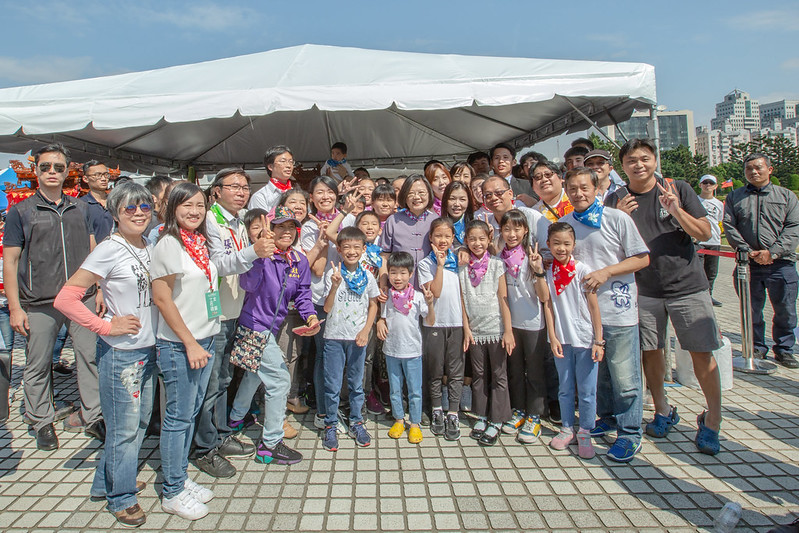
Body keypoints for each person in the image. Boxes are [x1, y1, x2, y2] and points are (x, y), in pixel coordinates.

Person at [607, 138, 723, 456]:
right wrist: (617, 216)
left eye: (644, 158)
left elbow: (704, 232)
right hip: (644, 289)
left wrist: (676, 211)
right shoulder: (617, 197)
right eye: (632, 160)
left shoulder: (678, 189)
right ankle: (662, 410)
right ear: (623, 166)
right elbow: (610, 245)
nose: (639, 165)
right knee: (650, 353)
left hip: (687, 286)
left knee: (702, 354)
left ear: (655, 160)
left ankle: (712, 420)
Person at [54, 182, 158, 527]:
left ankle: (107, 483)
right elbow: (66, 299)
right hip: (122, 355)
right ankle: (121, 497)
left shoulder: (149, 243)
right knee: (124, 430)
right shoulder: (108, 249)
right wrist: (104, 326)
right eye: (130, 208)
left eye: (144, 206)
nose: (139, 213)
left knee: (139, 423)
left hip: (149, 349)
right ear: (114, 213)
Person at [3, 143, 103, 451]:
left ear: (68, 172)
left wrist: (97, 288)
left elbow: (92, 253)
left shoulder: (80, 208)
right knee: (38, 361)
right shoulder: (21, 211)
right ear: (36, 170)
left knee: (88, 357)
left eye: (58, 168)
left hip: (80, 295)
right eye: (45, 167)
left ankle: (94, 414)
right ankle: (41, 419)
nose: (51, 172)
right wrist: (16, 307)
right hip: (40, 299)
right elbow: (10, 261)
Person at [561, 167, 650, 463]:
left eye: (584, 187)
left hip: (617, 309)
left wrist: (606, 272)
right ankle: (608, 418)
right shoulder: (565, 224)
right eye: (572, 189)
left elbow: (642, 258)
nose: (578, 193)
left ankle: (630, 432)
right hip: (583, 315)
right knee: (600, 376)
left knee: (624, 375)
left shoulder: (617, 218)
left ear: (598, 188)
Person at [195, 168, 273, 479]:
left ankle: (221, 433)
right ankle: (204, 447)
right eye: (234, 186)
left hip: (234, 310)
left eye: (244, 187)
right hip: (214, 313)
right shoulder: (210, 221)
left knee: (225, 378)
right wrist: (254, 251)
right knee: (211, 383)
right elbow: (216, 264)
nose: (241, 192)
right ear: (216, 191)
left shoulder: (240, 221)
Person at [150, 182, 221, 520]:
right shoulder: (167, 244)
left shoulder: (198, 242)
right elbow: (162, 299)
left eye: (200, 205)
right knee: (177, 418)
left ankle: (180, 476)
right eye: (187, 205)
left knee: (189, 413)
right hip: (181, 345)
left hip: (204, 339)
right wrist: (190, 342)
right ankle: (172, 490)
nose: (195, 211)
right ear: (172, 208)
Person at [229, 206, 320, 465]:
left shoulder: (299, 261)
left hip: (273, 326)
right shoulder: (260, 256)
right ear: (270, 230)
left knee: (255, 372)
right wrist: (260, 255)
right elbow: (247, 284)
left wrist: (311, 316)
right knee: (279, 380)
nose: (287, 232)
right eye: (280, 226)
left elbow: (302, 294)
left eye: (291, 227)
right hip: (253, 324)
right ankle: (270, 444)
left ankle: (236, 418)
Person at [723, 153, 799, 369]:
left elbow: (794, 227)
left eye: (758, 168)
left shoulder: (786, 196)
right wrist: (746, 250)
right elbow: (728, 225)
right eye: (749, 169)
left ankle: (784, 350)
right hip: (749, 265)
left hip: (781, 264)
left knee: (785, 310)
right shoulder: (735, 197)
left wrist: (772, 252)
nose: (754, 172)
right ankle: (756, 347)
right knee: (751, 309)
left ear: (770, 170)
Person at [542, 222, 604, 460]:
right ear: (549, 244)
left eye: (566, 243)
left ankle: (586, 430)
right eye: (556, 243)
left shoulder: (582, 270)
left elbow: (593, 306)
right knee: (565, 388)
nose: (561, 248)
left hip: (585, 339)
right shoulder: (548, 272)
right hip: (562, 339)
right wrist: (553, 336)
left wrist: (599, 340)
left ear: (574, 245)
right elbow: (548, 305)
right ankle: (567, 427)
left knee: (587, 390)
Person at [321, 227, 380, 451]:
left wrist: (366, 330)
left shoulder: (368, 275)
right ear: (339, 249)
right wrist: (335, 286)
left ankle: (356, 421)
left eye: (357, 247)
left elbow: (374, 304)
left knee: (356, 384)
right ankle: (330, 425)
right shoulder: (332, 273)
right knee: (333, 385)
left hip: (358, 339)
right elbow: (327, 308)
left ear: (364, 249)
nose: (352, 251)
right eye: (347, 247)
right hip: (334, 337)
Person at [460, 220, 514, 446]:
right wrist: (466, 329)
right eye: (472, 239)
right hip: (474, 330)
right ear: (465, 241)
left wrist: (508, 330)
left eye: (482, 238)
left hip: (496, 327)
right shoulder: (462, 266)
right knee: (479, 374)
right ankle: (481, 415)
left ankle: (498, 419)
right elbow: (462, 299)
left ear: (489, 240)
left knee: (499, 375)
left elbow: (503, 298)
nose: (477, 243)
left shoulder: (496, 264)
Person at [498, 210, 550, 444]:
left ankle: (535, 415)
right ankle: (518, 410)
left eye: (517, 229)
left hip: (533, 324)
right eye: (507, 229)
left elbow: (543, 296)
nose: (512, 234)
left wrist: (538, 270)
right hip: (511, 324)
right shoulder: (499, 259)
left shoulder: (532, 257)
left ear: (526, 230)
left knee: (535, 372)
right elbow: (503, 298)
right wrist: (507, 329)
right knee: (515, 370)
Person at [300, 176, 346, 431]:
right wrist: (324, 238)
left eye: (330, 191)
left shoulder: (346, 220)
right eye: (320, 192)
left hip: (347, 297)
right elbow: (317, 268)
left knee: (335, 355)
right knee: (325, 355)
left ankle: (332, 406)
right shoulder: (308, 227)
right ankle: (324, 412)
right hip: (320, 298)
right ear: (312, 198)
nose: (326, 196)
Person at [377, 252, 435, 444]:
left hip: (412, 351)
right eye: (393, 273)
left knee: (414, 389)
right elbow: (383, 318)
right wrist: (380, 321)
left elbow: (430, 320)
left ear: (411, 274)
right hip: (391, 350)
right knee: (395, 389)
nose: (398, 277)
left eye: (402, 273)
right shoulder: (386, 297)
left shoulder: (418, 297)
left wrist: (430, 303)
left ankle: (415, 423)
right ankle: (399, 419)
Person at [417, 218, 464, 441]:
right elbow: (434, 292)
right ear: (431, 238)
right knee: (435, 370)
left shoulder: (461, 262)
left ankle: (453, 412)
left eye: (447, 236)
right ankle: (436, 409)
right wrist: (440, 266)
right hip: (434, 323)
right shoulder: (425, 264)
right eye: (438, 236)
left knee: (455, 371)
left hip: (456, 324)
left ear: (453, 238)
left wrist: (467, 326)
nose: (443, 240)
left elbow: (464, 298)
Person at [379, 174, 439, 289]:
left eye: (421, 193)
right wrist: (383, 284)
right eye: (411, 193)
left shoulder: (436, 220)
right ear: (404, 196)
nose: (416, 197)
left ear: (429, 194)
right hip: (399, 287)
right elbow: (384, 255)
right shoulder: (393, 221)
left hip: (429, 285)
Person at [696, 175, 724, 307]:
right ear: (700, 185)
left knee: (711, 272)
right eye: (705, 183)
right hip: (698, 242)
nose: (708, 185)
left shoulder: (718, 204)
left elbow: (719, 221)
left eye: (711, 183)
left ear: (715, 186)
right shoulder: (694, 201)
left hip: (714, 241)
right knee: (699, 271)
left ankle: (709, 295)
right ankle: (699, 296)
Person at [248, 145, 295, 213]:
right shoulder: (261, 196)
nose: (288, 165)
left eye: (291, 162)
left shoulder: (297, 193)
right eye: (283, 161)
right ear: (270, 166)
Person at [80, 160, 115, 242]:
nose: (103, 179)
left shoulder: (115, 202)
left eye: (106, 175)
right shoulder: (81, 205)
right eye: (98, 175)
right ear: (86, 179)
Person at [441, 181, 474, 248]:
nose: (457, 204)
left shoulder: (474, 224)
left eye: (462, 199)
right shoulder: (438, 226)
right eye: (452, 199)